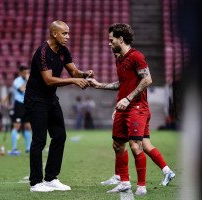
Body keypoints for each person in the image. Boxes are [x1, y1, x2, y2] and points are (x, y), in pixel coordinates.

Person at [24, 20, 93, 192]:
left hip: (50, 99)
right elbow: (48, 80)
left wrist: (83, 74)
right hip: (36, 100)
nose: (68, 37)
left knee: (60, 136)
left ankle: (50, 178)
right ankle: (35, 183)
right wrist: (74, 81)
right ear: (54, 33)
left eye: (68, 33)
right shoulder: (42, 53)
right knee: (39, 140)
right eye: (65, 33)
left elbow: (74, 71)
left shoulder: (63, 50)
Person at [88, 23, 153, 195]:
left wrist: (128, 98)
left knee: (135, 145)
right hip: (122, 107)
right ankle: (124, 182)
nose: (109, 43)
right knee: (117, 144)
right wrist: (99, 85)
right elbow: (121, 84)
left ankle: (141, 186)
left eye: (111, 40)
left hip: (137, 107)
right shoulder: (119, 59)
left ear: (121, 39)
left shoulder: (137, 56)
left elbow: (147, 80)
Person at [8, 65, 32, 155]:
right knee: (17, 126)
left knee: (27, 126)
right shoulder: (16, 81)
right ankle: (14, 148)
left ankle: (28, 148)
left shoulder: (29, 79)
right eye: (25, 72)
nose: (27, 74)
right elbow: (22, 89)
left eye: (27, 72)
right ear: (20, 73)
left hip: (27, 105)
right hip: (19, 105)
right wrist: (27, 80)